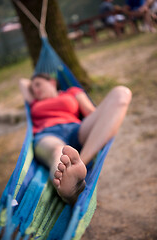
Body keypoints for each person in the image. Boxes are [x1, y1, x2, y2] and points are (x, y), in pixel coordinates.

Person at [19, 73, 132, 205]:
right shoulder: (34, 102)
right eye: (33, 89)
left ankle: (80, 164)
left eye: (38, 85)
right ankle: (69, 190)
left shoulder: (72, 92)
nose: (36, 90)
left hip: (76, 130)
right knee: (58, 152)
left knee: (121, 93)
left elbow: (91, 111)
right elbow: (22, 81)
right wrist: (36, 83)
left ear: (52, 82)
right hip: (47, 134)